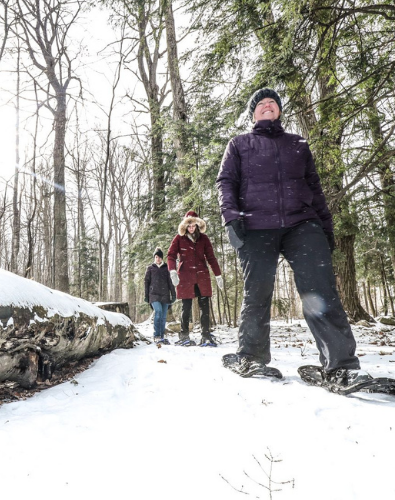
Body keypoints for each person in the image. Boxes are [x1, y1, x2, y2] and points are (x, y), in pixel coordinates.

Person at [216, 87, 368, 388]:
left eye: (273, 102)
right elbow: (225, 182)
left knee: (321, 291)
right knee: (257, 292)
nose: (268, 105)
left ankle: (340, 366)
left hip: (303, 223)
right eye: (261, 103)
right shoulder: (239, 144)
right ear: (253, 113)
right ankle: (251, 356)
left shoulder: (297, 144)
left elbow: (315, 187)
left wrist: (326, 227)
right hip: (256, 225)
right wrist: (231, 219)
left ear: (280, 111)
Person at [167, 211, 223, 346]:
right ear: (185, 226)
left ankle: (205, 335)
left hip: (202, 276)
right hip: (185, 277)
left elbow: (211, 257)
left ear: (198, 225)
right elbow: (171, 255)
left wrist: (218, 274)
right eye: (189, 226)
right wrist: (172, 271)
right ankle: (184, 335)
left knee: (204, 306)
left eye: (194, 226)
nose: (191, 228)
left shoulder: (204, 239)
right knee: (186, 307)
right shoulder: (179, 239)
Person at [144, 247, 176, 344]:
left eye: (159, 257)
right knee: (158, 312)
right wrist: (146, 295)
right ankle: (156, 335)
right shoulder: (150, 268)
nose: (158, 259)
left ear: (162, 258)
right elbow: (146, 282)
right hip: (154, 295)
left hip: (165, 295)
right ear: (154, 257)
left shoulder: (167, 268)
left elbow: (170, 283)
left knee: (163, 316)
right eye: (156, 257)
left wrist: (173, 295)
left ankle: (161, 336)